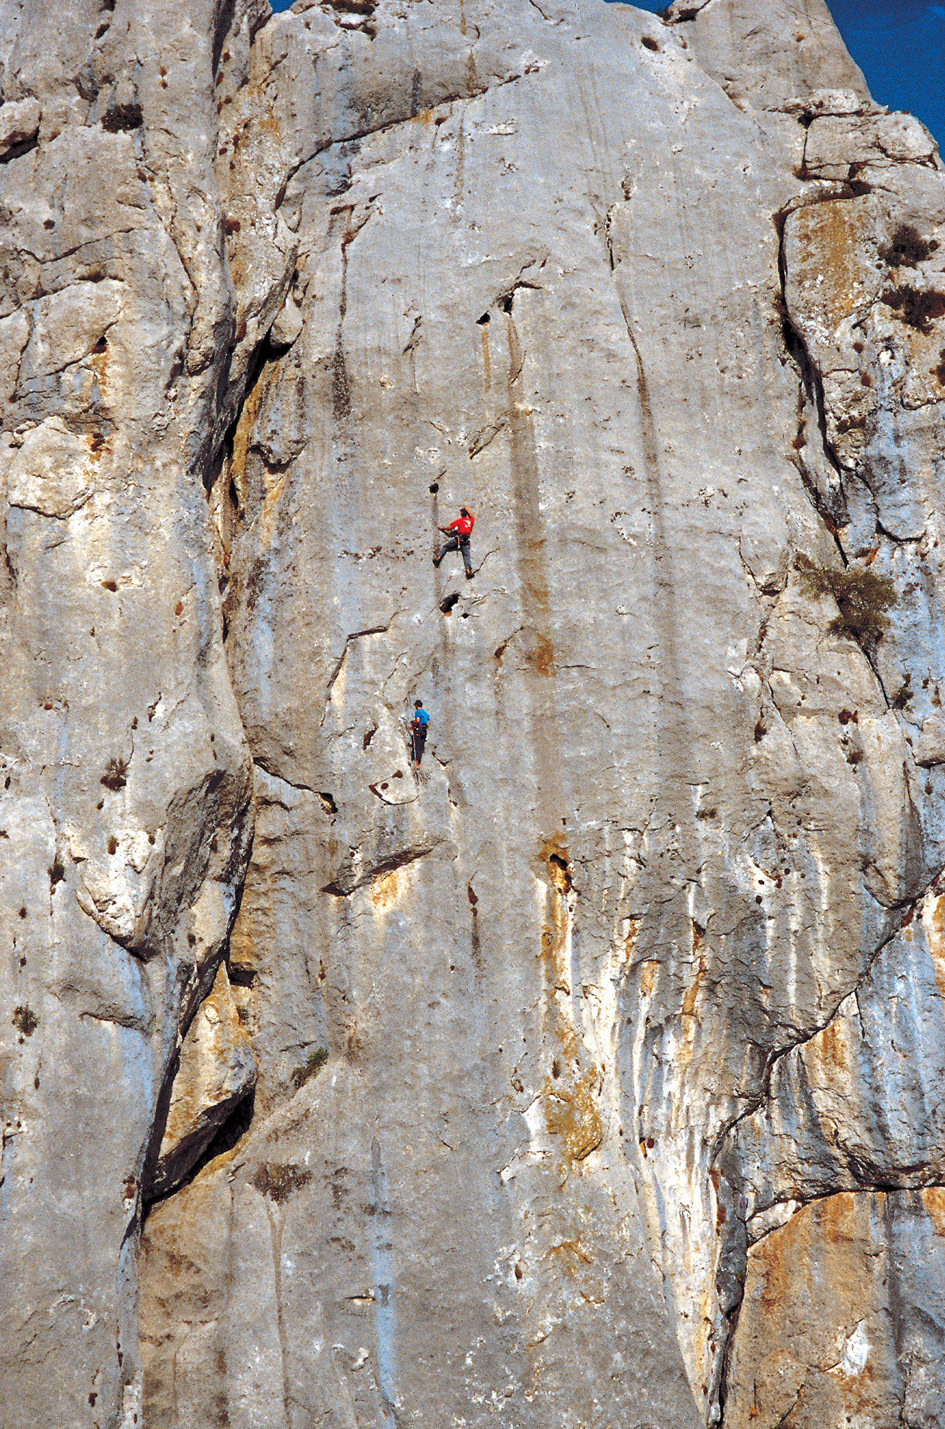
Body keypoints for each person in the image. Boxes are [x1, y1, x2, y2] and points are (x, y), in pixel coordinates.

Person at [433, 507, 475, 579]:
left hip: (459, 539)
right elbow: (472, 517)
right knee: (466, 556)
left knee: (445, 547)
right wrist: (467, 510)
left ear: (461, 514)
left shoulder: (460, 521)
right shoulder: (470, 521)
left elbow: (450, 528)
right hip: (466, 540)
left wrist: (442, 528)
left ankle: (438, 557)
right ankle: (468, 570)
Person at [410, 700, 430, 766]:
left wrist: (413, 726)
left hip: (419, 728)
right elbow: (428, 724)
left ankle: (417, 762)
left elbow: (418, 720)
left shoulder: (418, 712)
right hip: (424, 730)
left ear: (416, 705)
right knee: (421, 746)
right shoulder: (426, 714)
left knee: (417, 745)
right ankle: (419, 762)